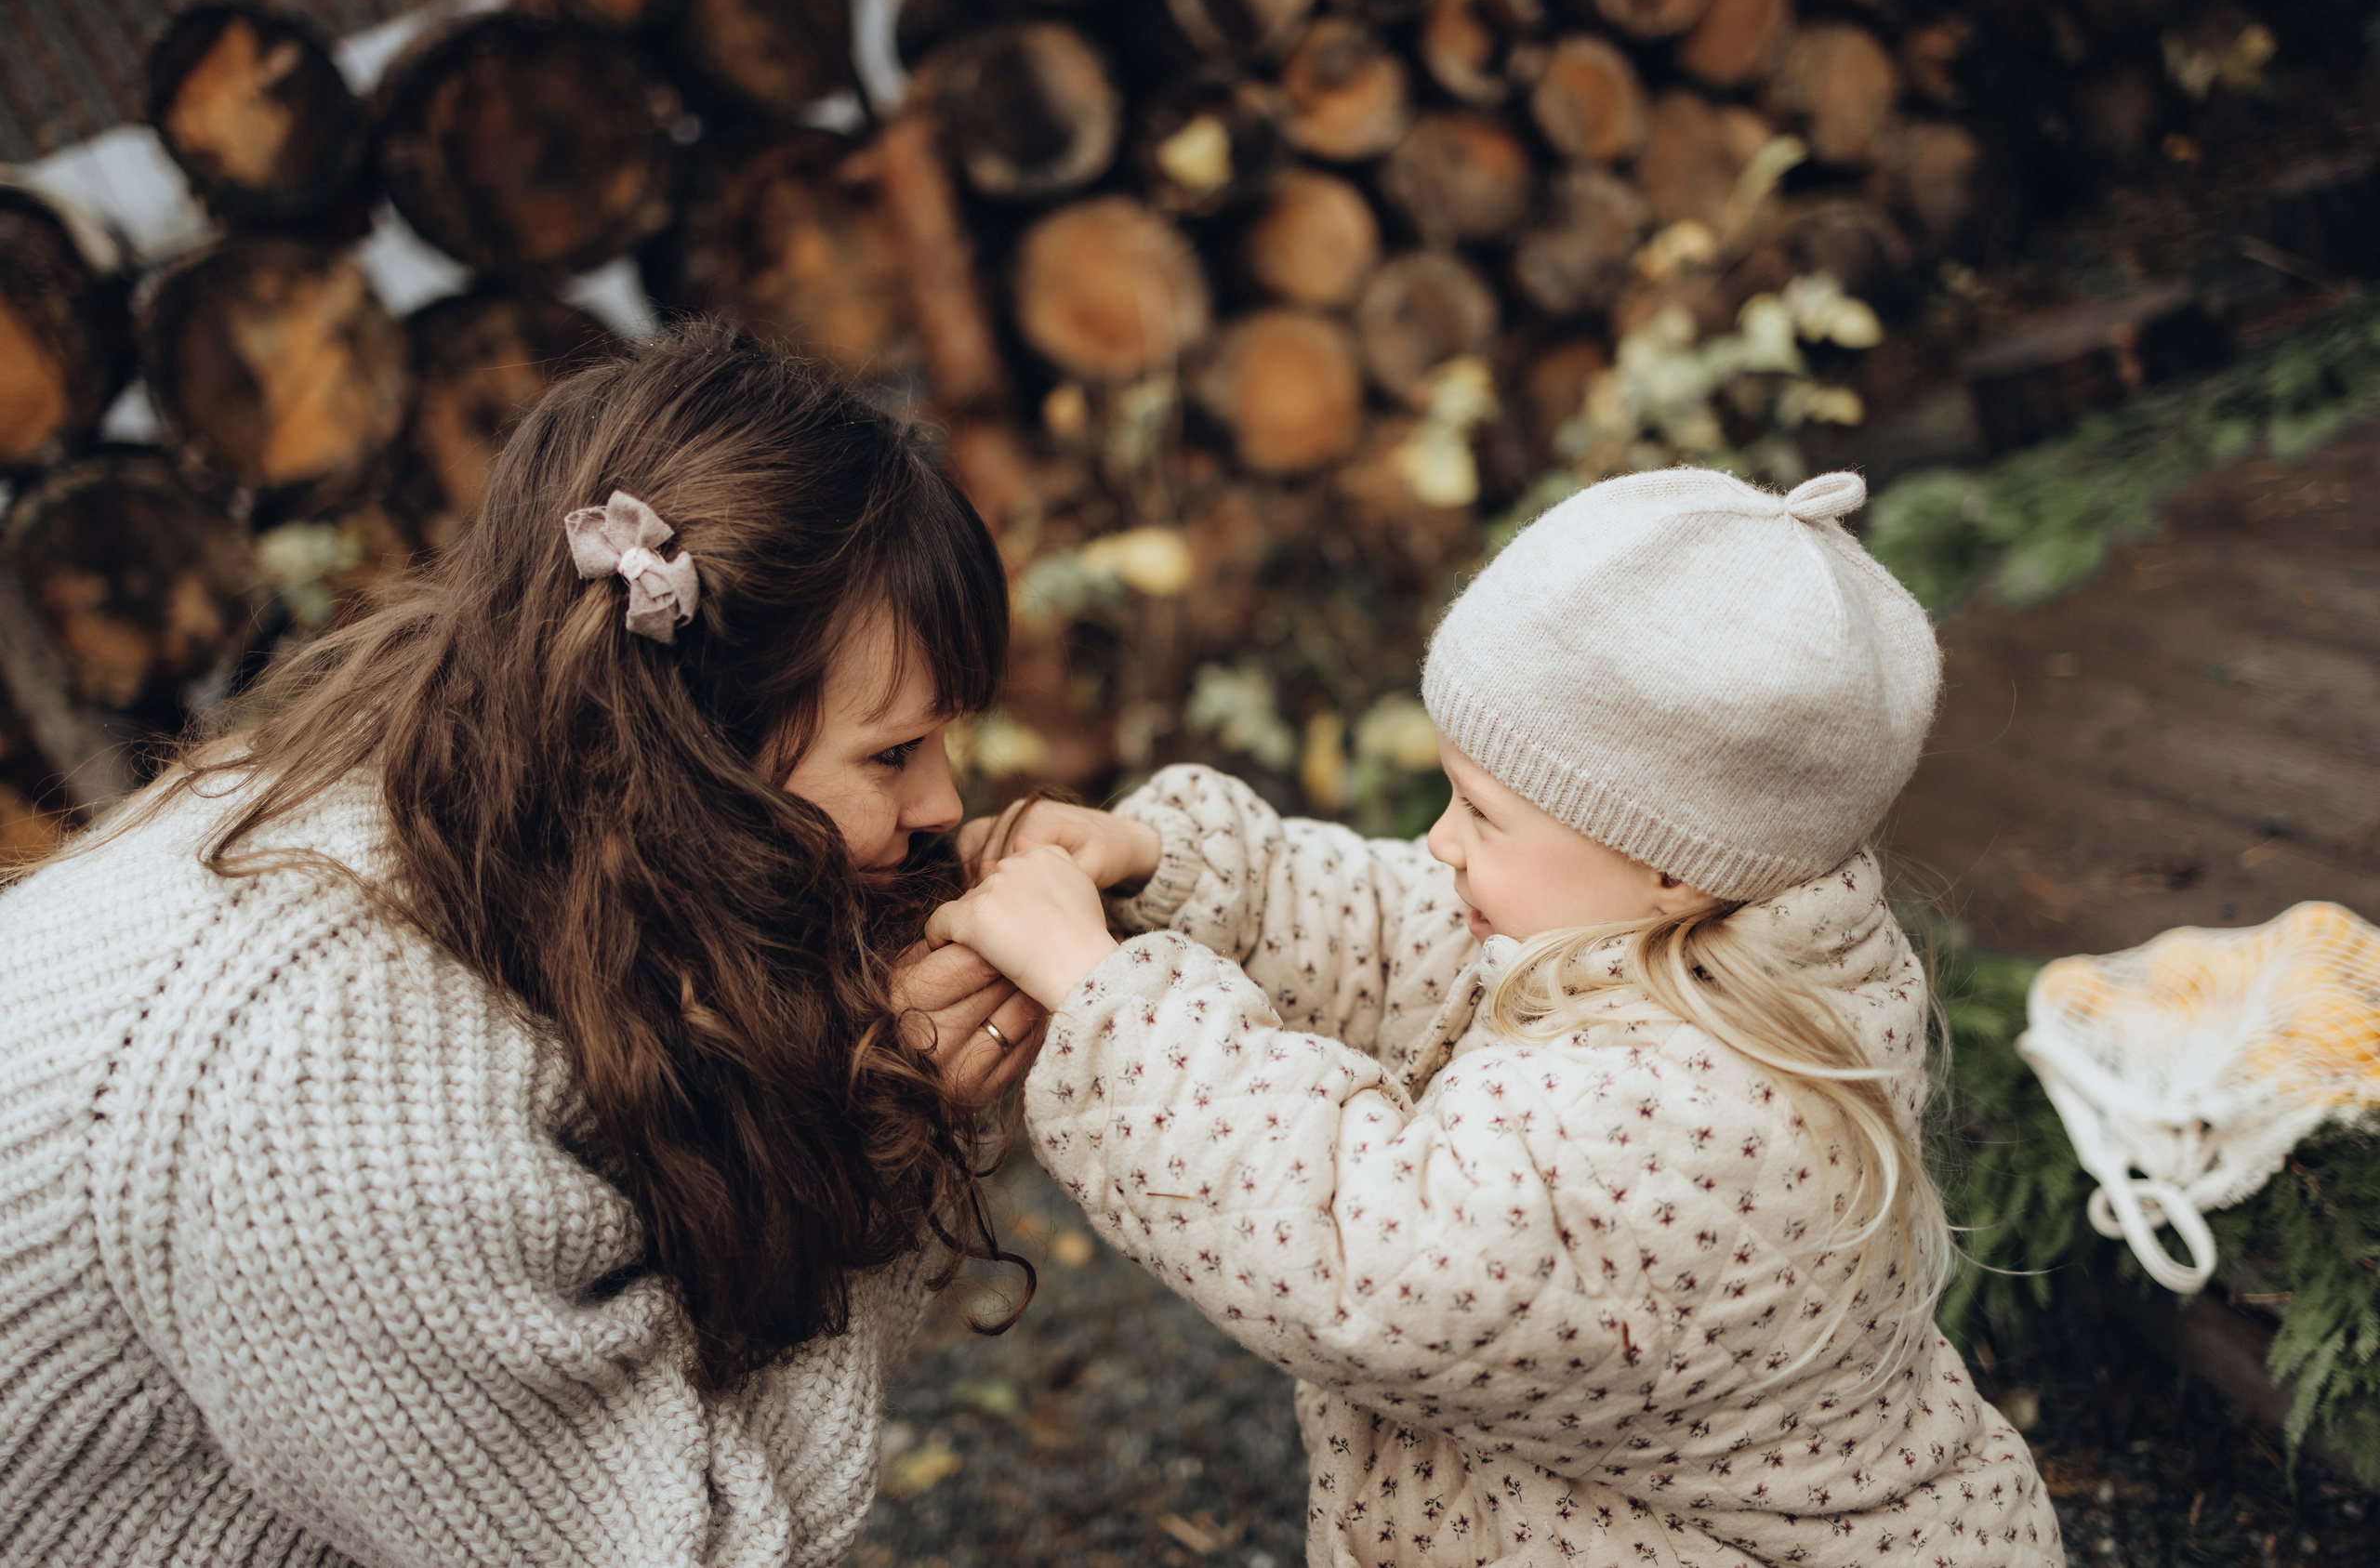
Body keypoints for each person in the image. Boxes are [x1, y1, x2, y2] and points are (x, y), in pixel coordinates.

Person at [0, 323, 1042, 1568]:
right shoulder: (330, 1099)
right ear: (693, 743)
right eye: (891, 755)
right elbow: (682, 1547)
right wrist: (882, 1141)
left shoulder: (499, 781)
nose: (940, 806)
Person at [932, 468, 2061, 1565]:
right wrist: (1173, 864)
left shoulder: (1685, 1123)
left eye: (1479, 809)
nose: (1440, 839)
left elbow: (1364, 1248)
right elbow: (1401, 935)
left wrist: (1104, 995)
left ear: (1669, 861)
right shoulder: (1691, 933)